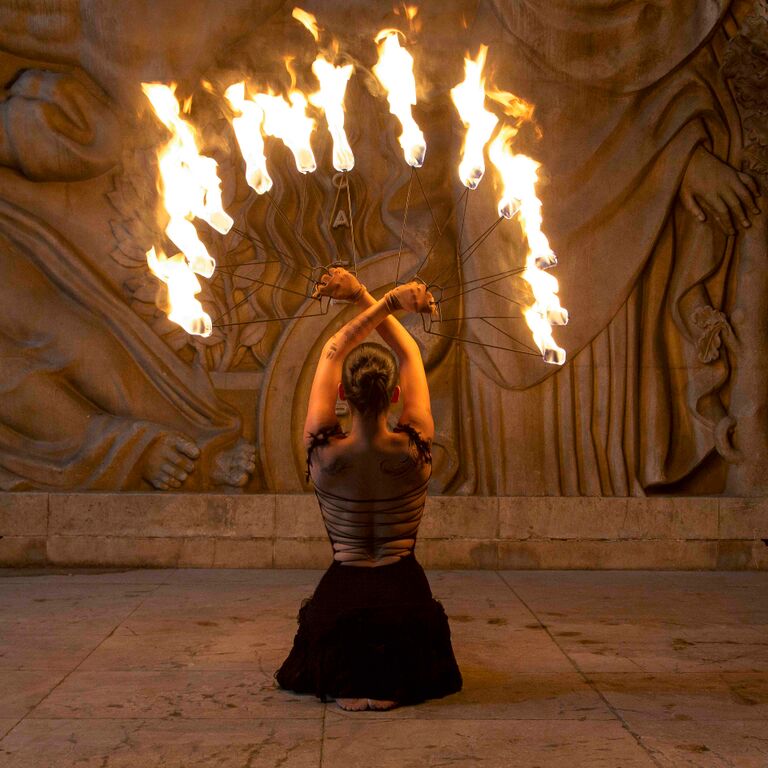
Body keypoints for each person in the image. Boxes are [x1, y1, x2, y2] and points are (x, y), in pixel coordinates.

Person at [275, 267, 463, 711]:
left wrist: (370, 296)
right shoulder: (415, 446)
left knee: (335, 643)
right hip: (404, 597)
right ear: (395, 394)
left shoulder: (323, 451)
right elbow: (411, 354)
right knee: (404, 645)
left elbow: (333, 349)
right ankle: (388, 682)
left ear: (343, 393)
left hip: (343, 598)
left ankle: (353, 679)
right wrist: (378, 299)